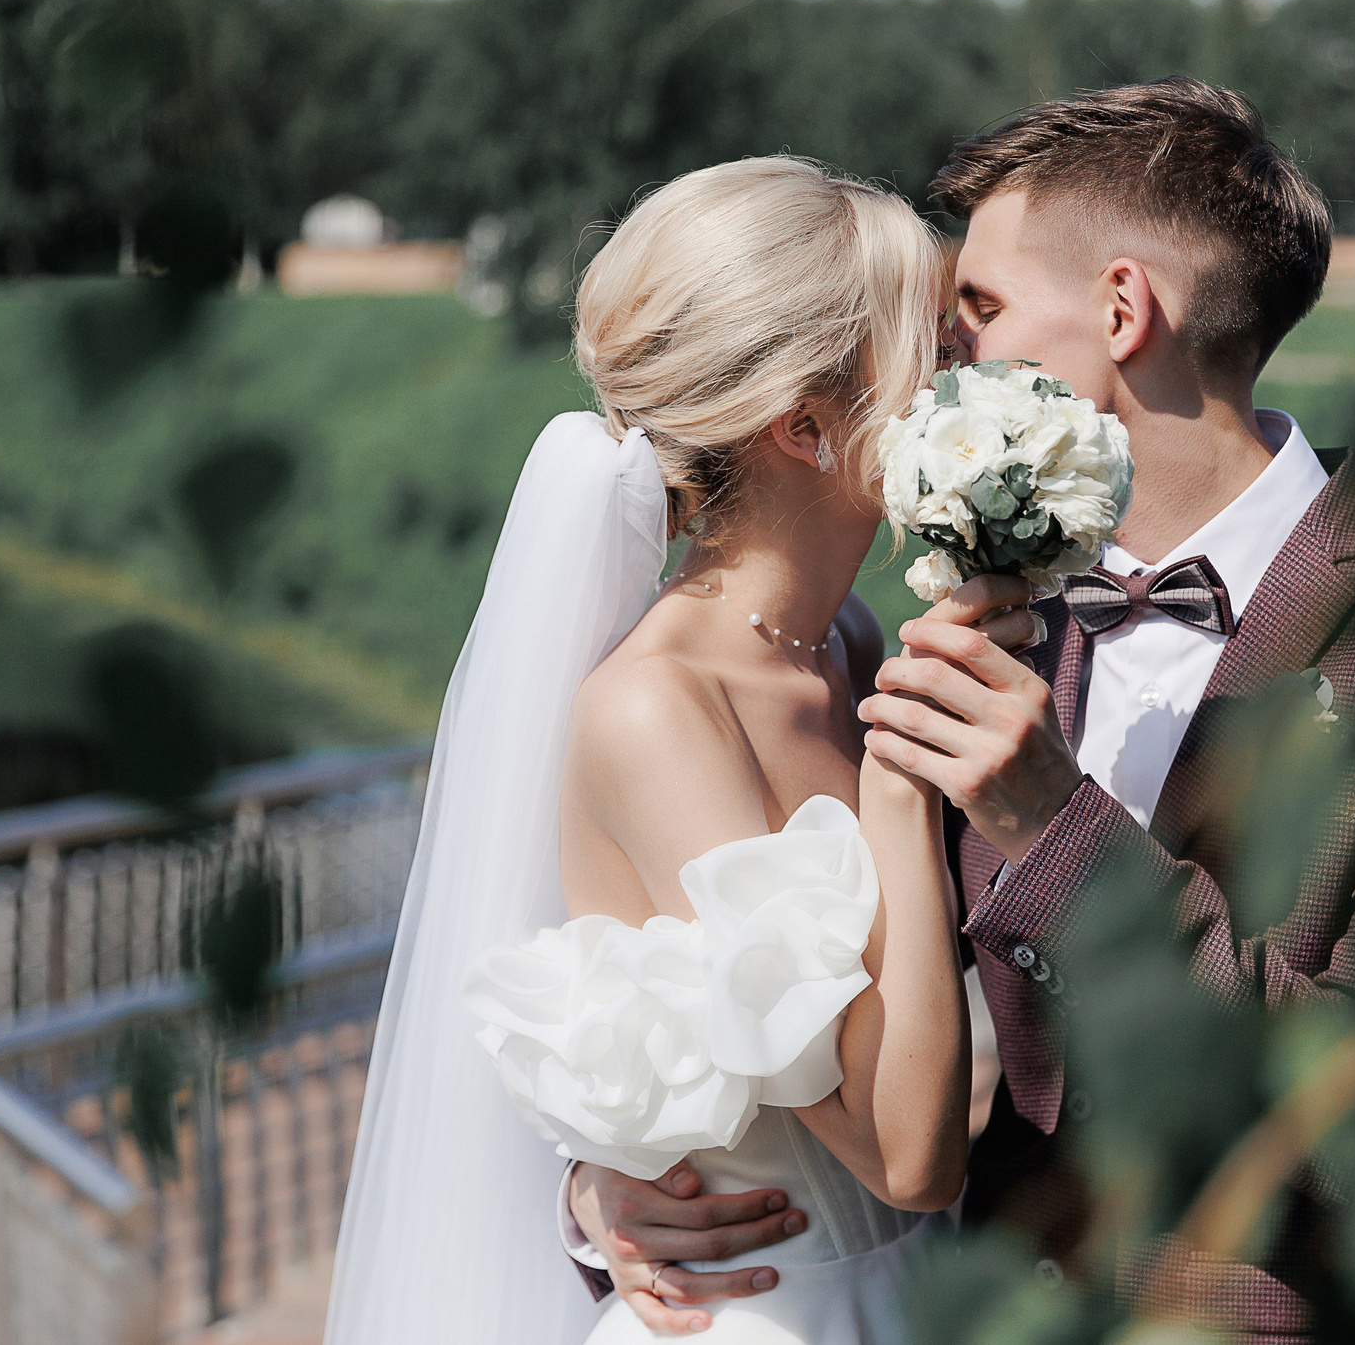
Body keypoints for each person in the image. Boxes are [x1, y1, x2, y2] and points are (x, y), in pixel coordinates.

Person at [570, 79, 1355, 1342]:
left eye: (977, 312)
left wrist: (1063, 835)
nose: (946, 365)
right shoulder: (984, 598)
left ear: (1123, 311)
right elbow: (732, 974)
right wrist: (617, 1186)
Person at [325, 156, 1017, 1344]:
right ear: (807, 426)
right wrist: (900, 795)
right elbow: (907, 1158)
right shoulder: (658, 711)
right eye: (932, 349)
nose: (968, 378)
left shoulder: (846, 641)